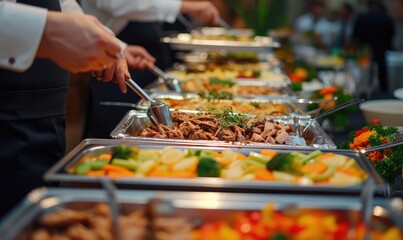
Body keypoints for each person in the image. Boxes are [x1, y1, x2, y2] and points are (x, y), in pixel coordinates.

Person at [0, 0, 131, 220]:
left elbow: (63, 3)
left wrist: (107, 40)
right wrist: (46, 29)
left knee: (38, 211)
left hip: (48, 110)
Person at [82, 0, 221, 139]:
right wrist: (184, 6)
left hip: (130, 51)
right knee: (111, 132)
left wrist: (123, 48)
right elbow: (115, 4)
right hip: (110, 66)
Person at [352, 0, 395, 91]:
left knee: (364, 76)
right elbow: (391, 37)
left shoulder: (362, 17)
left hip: (365, 53)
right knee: (382, 78)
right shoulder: (386, 18)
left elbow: (355, 36)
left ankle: (364, 93)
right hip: (382, 53)